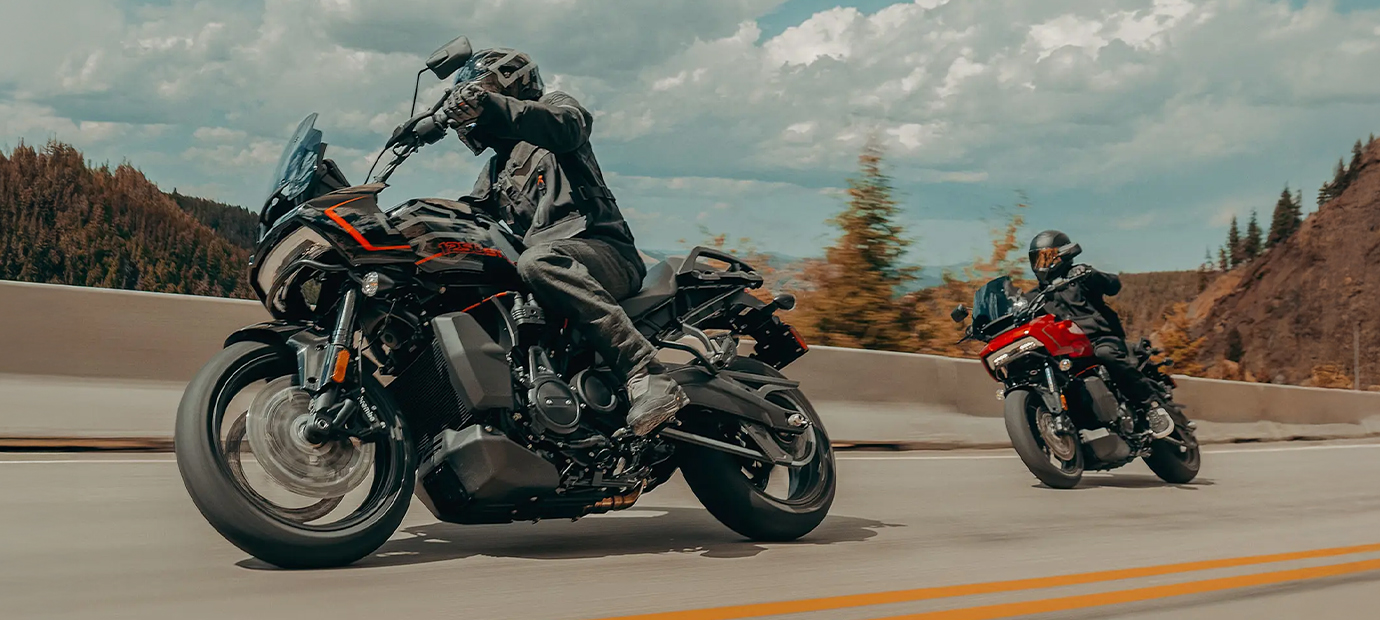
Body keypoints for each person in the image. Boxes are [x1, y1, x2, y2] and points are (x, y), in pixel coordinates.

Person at [442, 47, 687, 436]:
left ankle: (646, 371)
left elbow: (567, 126)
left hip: (606, 251)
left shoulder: (555, 111)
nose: (477, 103)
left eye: (486, 90)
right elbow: (472, 219)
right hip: (553, 267)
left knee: (537, 261)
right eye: (475, 96)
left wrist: (489, 104)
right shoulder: (496, 168)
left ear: (513, 83)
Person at [1026, 230, 1174, 439]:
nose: (1041, 263)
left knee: (1106, 355)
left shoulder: (1078, 276)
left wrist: (1091, 274)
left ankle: (1152, 407)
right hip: (1068, 348)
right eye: (1038, 258)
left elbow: (1113, 285)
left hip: (1100, 338)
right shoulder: (1035, 296)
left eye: (1047, 256)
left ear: (1062, 255)